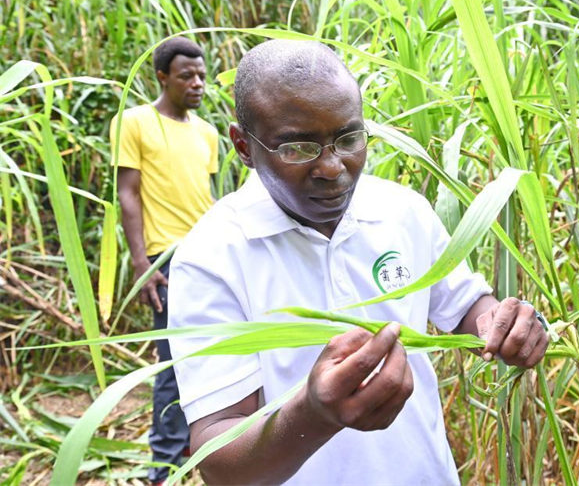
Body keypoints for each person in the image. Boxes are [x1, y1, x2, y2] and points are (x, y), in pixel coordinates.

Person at [167, 39, 548, 485]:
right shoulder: (212, 256)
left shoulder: (402, 211)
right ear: (243, 147)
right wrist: (313, 415)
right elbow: (218, 460)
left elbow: (466, 307)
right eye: (297, 148)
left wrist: (506, 324)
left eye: (348, 139)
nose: (332, 167)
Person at [110, 36, 218, 485]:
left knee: (216, 357)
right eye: (185, 76)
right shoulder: (134, 122)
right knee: (173, 365)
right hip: (166, 259)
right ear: (162, 78)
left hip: (210, 254)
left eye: (201, 76)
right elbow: (128, 194)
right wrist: (142, 265)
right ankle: (166, 471)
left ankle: (206, 451)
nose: (197, 84)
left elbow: (208, 196)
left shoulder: (207, 132)